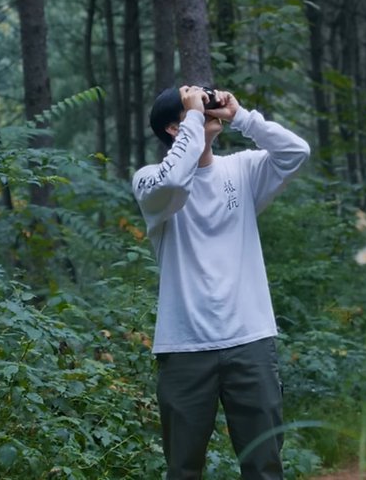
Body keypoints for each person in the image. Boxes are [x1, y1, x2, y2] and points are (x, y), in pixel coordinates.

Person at [132, 84, 311, 480]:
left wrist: (242, 117)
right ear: (175, 128)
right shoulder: (149, 181)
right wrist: (197, 117)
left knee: (264, 466)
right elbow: (176, 183)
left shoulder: (241, 170)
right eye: (191, 102)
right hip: (184, 347)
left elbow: (297, 152)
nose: (204, 103)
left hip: (249, 339)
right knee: (183, 469)